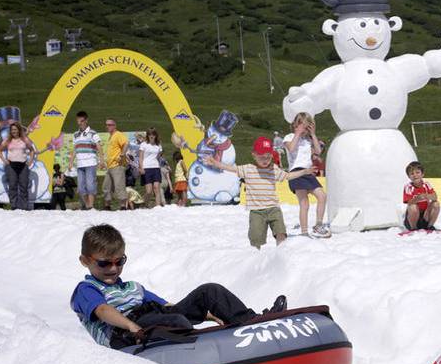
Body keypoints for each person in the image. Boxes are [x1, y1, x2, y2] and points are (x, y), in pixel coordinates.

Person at [69, 224, 288, 349]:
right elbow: (103, 311)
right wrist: (130, 326)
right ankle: (202, 350)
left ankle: (252, 322)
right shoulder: (86, 290)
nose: (113, 268)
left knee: (209, 291)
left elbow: (167, 305)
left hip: (154, 319)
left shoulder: (134, 288)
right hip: (123, 335)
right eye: (104, 263)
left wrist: (207, 314)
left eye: (119, 261)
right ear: (85, 261)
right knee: (175, 320)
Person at [206, 137, 315, 248]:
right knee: (256, 238)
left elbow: (288, 176)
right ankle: (256, 257)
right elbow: (231, 168)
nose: (265, 160)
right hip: (256, 211)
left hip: (273, 208)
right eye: (262, 157)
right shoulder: (248, 169)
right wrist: (215, 163)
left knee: (281, 233)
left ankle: (281, 253)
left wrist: (304, 172)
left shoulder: (273, 169)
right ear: (254, 154)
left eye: (268, 157)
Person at [283, 112, 330, 238]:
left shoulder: (308, 140)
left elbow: (319, 151)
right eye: (301, 125)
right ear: (295, 125)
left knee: (322, 196)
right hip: (296, 172)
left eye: (306, 126)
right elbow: (291, 149)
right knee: (304, 203)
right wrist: (297, 133)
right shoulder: (289, 137)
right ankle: (304, 231)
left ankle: (318, 224)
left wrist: (313, 134)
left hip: (308, 172)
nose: (304, 129)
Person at [0, 122, 37, 210]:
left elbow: (32, 150)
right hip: (11, 166)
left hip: (23, 166)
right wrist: (4, 160)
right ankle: (14, 206)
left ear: (19, 130)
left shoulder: (25, 139)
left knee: (24, 186)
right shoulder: (7, 140)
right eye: (12, 130)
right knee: (13, 185)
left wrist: (30, 161)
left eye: (15, 129)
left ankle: (24, 207)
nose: (13, 131)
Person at [68, 111, 104, 210]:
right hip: (80, 164)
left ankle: (90, 206)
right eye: (78, 121)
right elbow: (75, 149)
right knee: (80, 188)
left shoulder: (93, 133)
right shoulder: (75, 134)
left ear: (86, 120)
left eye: (82, 121)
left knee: (90, 185)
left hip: (91, 163)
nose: (80, 123)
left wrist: (102, 160)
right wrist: (71, 162)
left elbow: (99, 147)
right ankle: (88, 205)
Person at [403, 161, 440, 231]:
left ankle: (430, 226)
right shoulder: (408, 187)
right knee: (413, 206)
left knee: (436, 204)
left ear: (422, 174)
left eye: (417, 172)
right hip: (412, 218)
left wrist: (426, 196)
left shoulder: (426, 184)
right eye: (412, 174)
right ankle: (413, 228)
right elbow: (409, 202)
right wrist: (418, 198)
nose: (415, 175)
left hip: (425, 216)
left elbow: (435, 197)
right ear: (409, 176)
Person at [102, 118, 128, 211]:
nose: (107, 126)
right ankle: (107, 206)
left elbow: (126, 143)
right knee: (106, 186)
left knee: (119, 186)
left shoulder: (118, 134)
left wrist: (123, 154)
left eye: (110, 125)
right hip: (110, 166)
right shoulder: (111, 136)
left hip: (117, 165)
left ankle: (123, 206)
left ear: (114, 125)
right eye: (106, 125)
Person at [138, 127, 165, 207]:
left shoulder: (158, 145)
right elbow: (140, 157)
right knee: (149, 191)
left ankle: (158, 207)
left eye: (153, 134)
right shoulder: (143, 144)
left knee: (157, 188)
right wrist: (141, 168)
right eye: (150, 134)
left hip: (156, 168)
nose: (151, 136)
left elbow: (158, 157)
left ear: (156, 135)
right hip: (146, 168)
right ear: (148, 135)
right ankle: (142, 204)